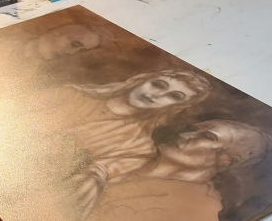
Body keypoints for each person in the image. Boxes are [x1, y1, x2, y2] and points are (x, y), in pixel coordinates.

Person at [58, 69, 213, 219]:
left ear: (175, 107)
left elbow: (92, 177)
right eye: (158, 85)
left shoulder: (139, 148)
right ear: (141, 80)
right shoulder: (70, 95)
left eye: (174, 96)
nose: (156, 95)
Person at [86, 119, 272, 221]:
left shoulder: (201, 209)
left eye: (207, 137)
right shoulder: (128, 153)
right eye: (192, 128)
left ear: (227, 161)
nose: (186, 134)